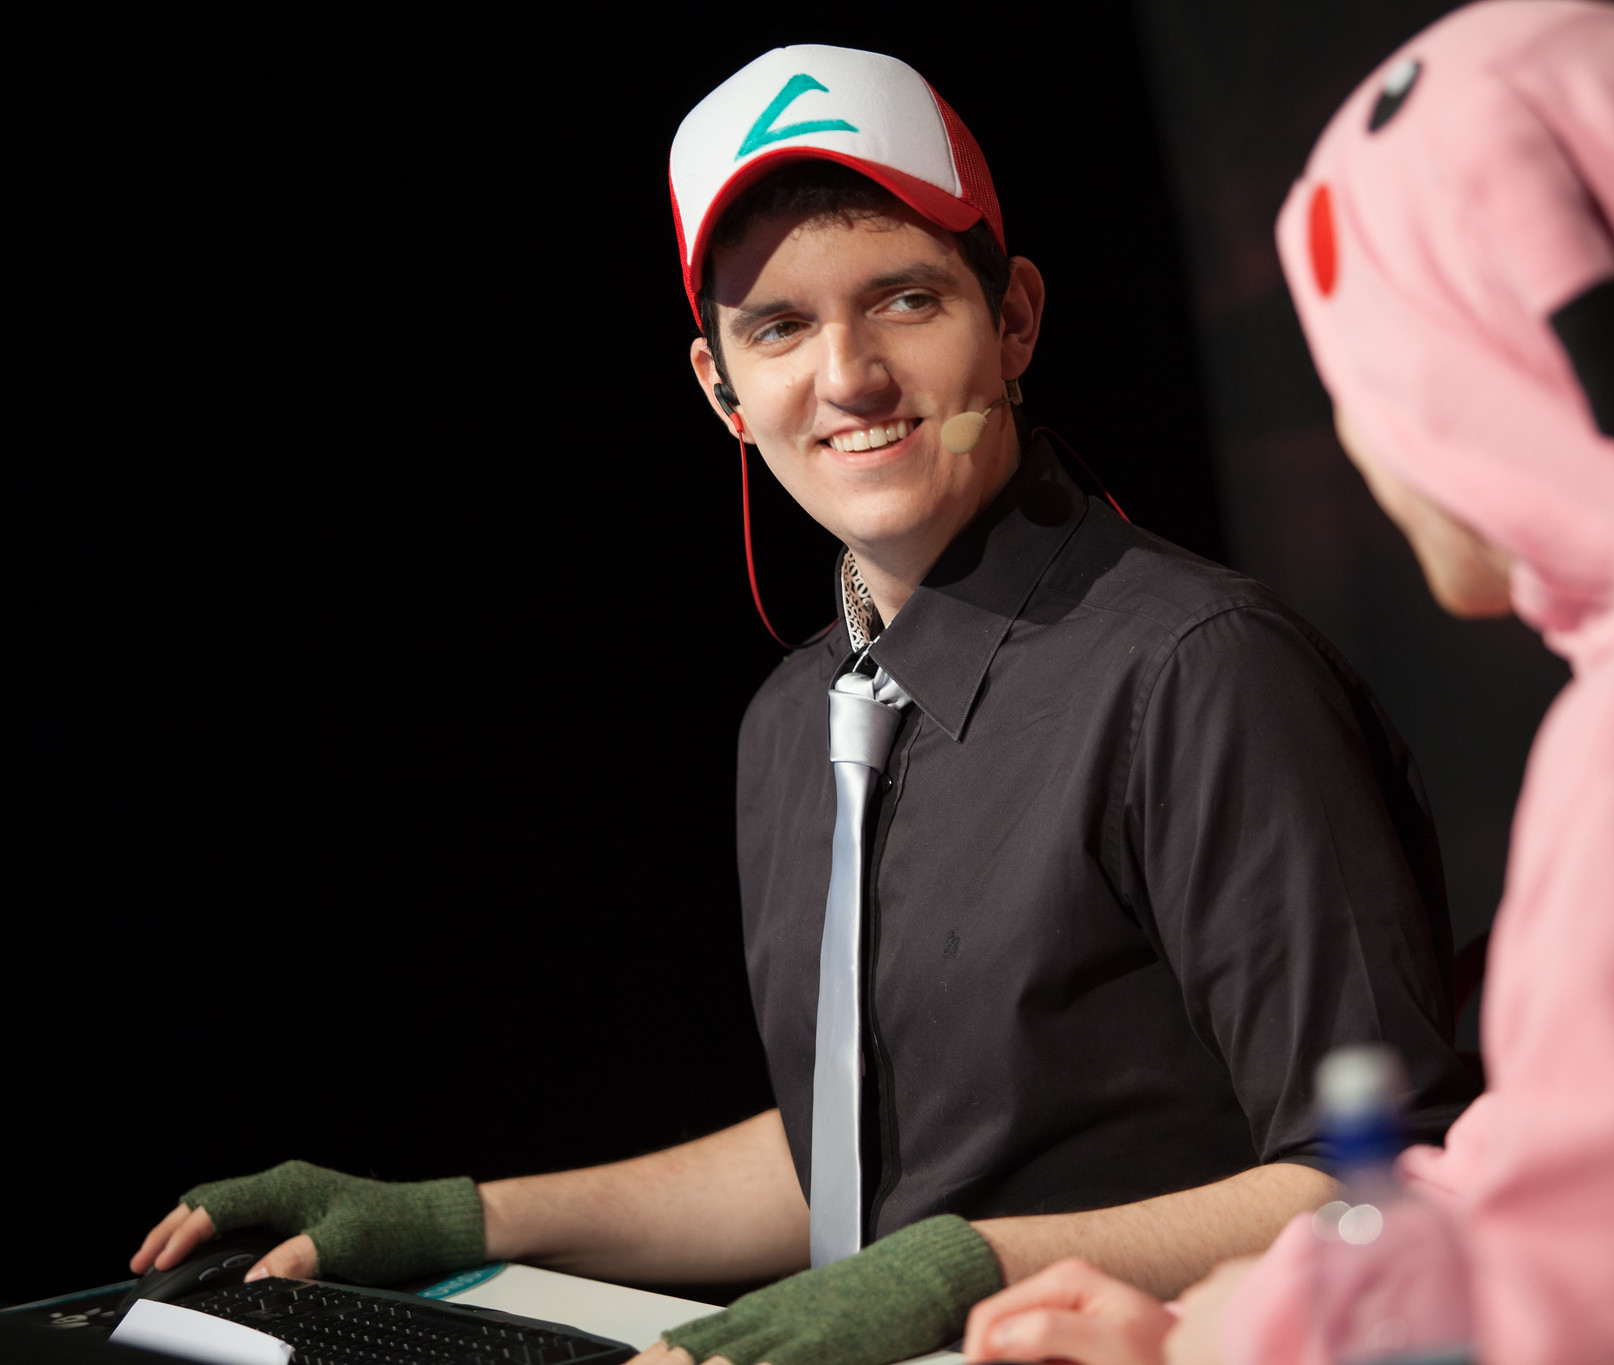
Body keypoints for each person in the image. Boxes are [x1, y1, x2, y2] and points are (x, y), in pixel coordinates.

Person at [129, 43, 1477, 1365]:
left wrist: (965, 1268)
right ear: (720, 386)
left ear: (1014, 319)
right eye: (779, 327)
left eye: (905, 300)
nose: (848, 377)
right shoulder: (794, 721)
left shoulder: (1200, 669)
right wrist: (462, 1218)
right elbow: (855, 1155)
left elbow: (1383, 1181)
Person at [961, 4, 1614, 1363]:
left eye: (1374, 371)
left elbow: (1597, 1305)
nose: (1356, 433)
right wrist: (1264, 1297)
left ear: (1503, 368)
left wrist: (1225, 1344)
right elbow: (1591, 1141)